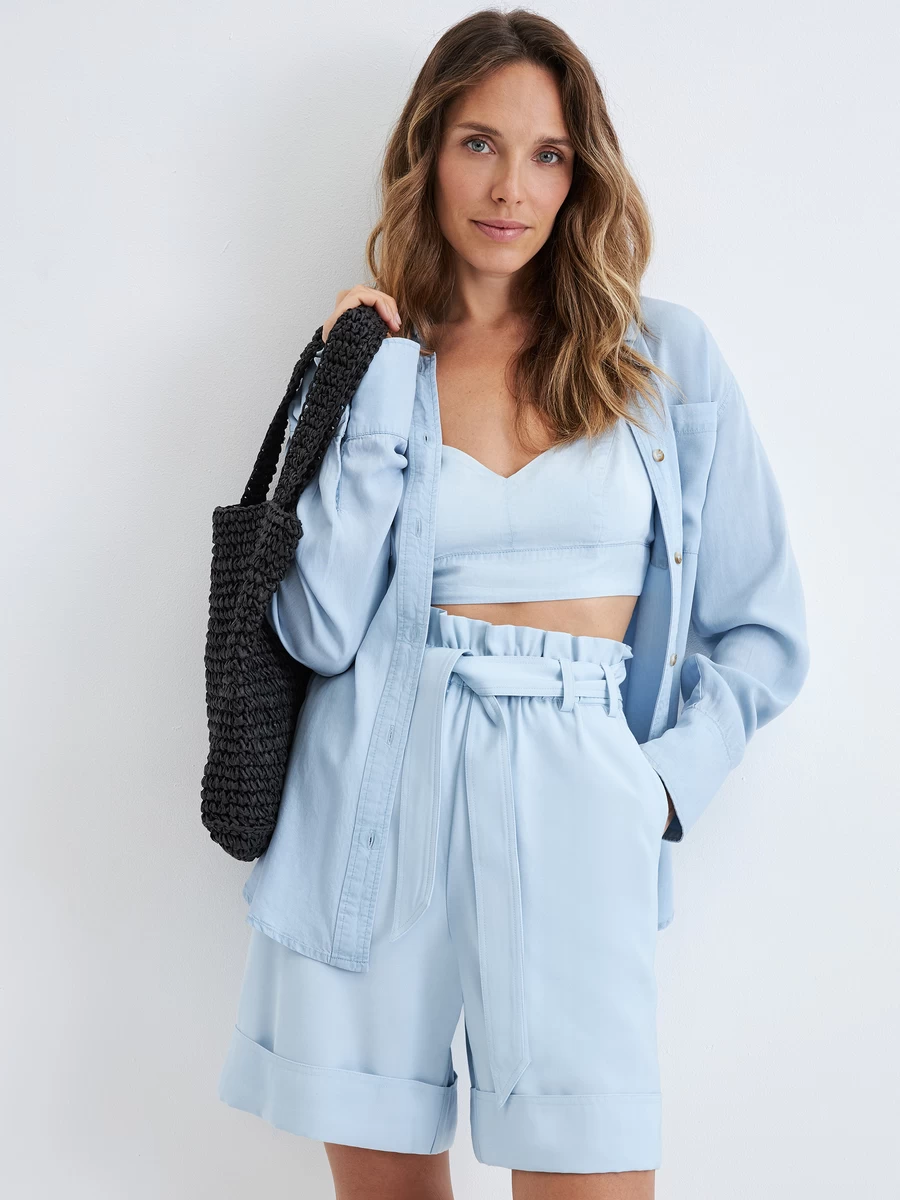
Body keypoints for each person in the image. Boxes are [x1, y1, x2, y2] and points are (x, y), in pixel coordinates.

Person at [217, 10, 810, 1198]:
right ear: (427, 154)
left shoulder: (663, 360)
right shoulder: (372, 362)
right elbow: (315, 630)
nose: (510, 188)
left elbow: (761, 627)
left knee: (590, 1173)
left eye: (547, 154)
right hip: (371, 800)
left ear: (580, 174)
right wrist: (369, 377)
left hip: (581, 789)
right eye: (479, 144)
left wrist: (654, 788)